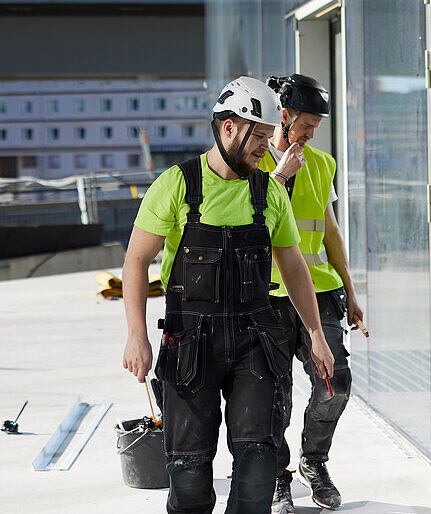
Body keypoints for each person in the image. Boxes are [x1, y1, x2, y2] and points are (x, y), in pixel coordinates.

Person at [122, 75, 335, 514]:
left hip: (255, 342)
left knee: (258, 466)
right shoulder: (177, 185)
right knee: (189, 470)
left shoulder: (269, 190)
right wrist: (136, 335)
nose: (265, 145)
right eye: (258, 136)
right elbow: (136, 262)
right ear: (228, 128)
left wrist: (315, 333)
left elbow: (293, 267)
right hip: (190, 344)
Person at [258, 74, 364, 513]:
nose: (310, 134)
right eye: (305, 125)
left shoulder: (322, 164)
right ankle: (277, 477)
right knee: (271, 394)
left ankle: (313, 461)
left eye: (316, 128)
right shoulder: (252, 163)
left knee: (335, 384)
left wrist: (351, 291)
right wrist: (280, 177)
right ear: (283, 117)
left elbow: (331, 230)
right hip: (266, 297)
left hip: (319, 294)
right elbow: (249, 224)